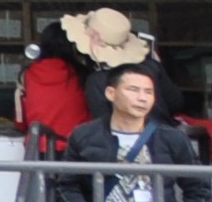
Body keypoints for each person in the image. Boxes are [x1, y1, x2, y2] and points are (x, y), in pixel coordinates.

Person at [46, 58, 204, 202]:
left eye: (149, 92)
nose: (142, 98)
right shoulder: (85, 136)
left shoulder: (171, 137)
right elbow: (66, 186)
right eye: (133, 90)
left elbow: (199, 187)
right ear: (110, 93)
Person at [19, 8, 168, 156]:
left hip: (38, 146)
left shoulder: (28, 74)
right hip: (77, 146)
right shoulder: (83, 75)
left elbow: (22, 119)